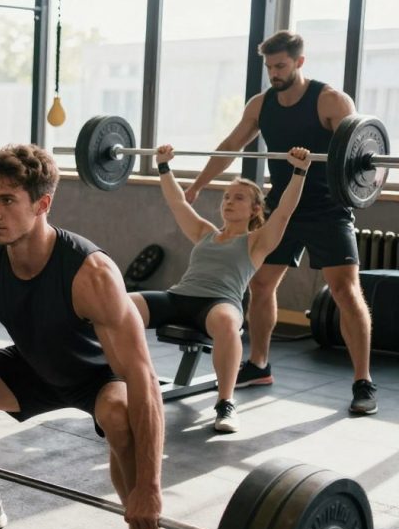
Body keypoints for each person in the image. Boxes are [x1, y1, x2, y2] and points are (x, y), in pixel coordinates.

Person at [0, 144, 164, 529]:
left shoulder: (91, 273)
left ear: (42, 204)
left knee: (120, 414)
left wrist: (151, 487)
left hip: (96, 376)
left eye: (7, 200)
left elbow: (142, 378)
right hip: (35, 366)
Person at [184, 30, 377, 415]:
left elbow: (359, 152)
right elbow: (231, 145)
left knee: (344, 290)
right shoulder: (261, 105)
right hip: (282, 207)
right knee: (260, 283)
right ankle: (259, 365)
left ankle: (363, 381)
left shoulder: (330, 100)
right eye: (269, 67)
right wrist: (198, 185)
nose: (274, 73)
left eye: (281, 66)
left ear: (299, 62)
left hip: (327, 208)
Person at [130, 145, 310, 433]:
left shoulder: (257, 241)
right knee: (121, 305)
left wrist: (300, 171)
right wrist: (163, 166)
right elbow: (177, 202)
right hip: (178, 297)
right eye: (226, 197)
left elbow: (284, 213)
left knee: (227, 323)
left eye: (238, 198)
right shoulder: (205, 232)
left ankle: (225, 403)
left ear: (255, 209)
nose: (229, 202)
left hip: (218, 303)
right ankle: (121, 379)